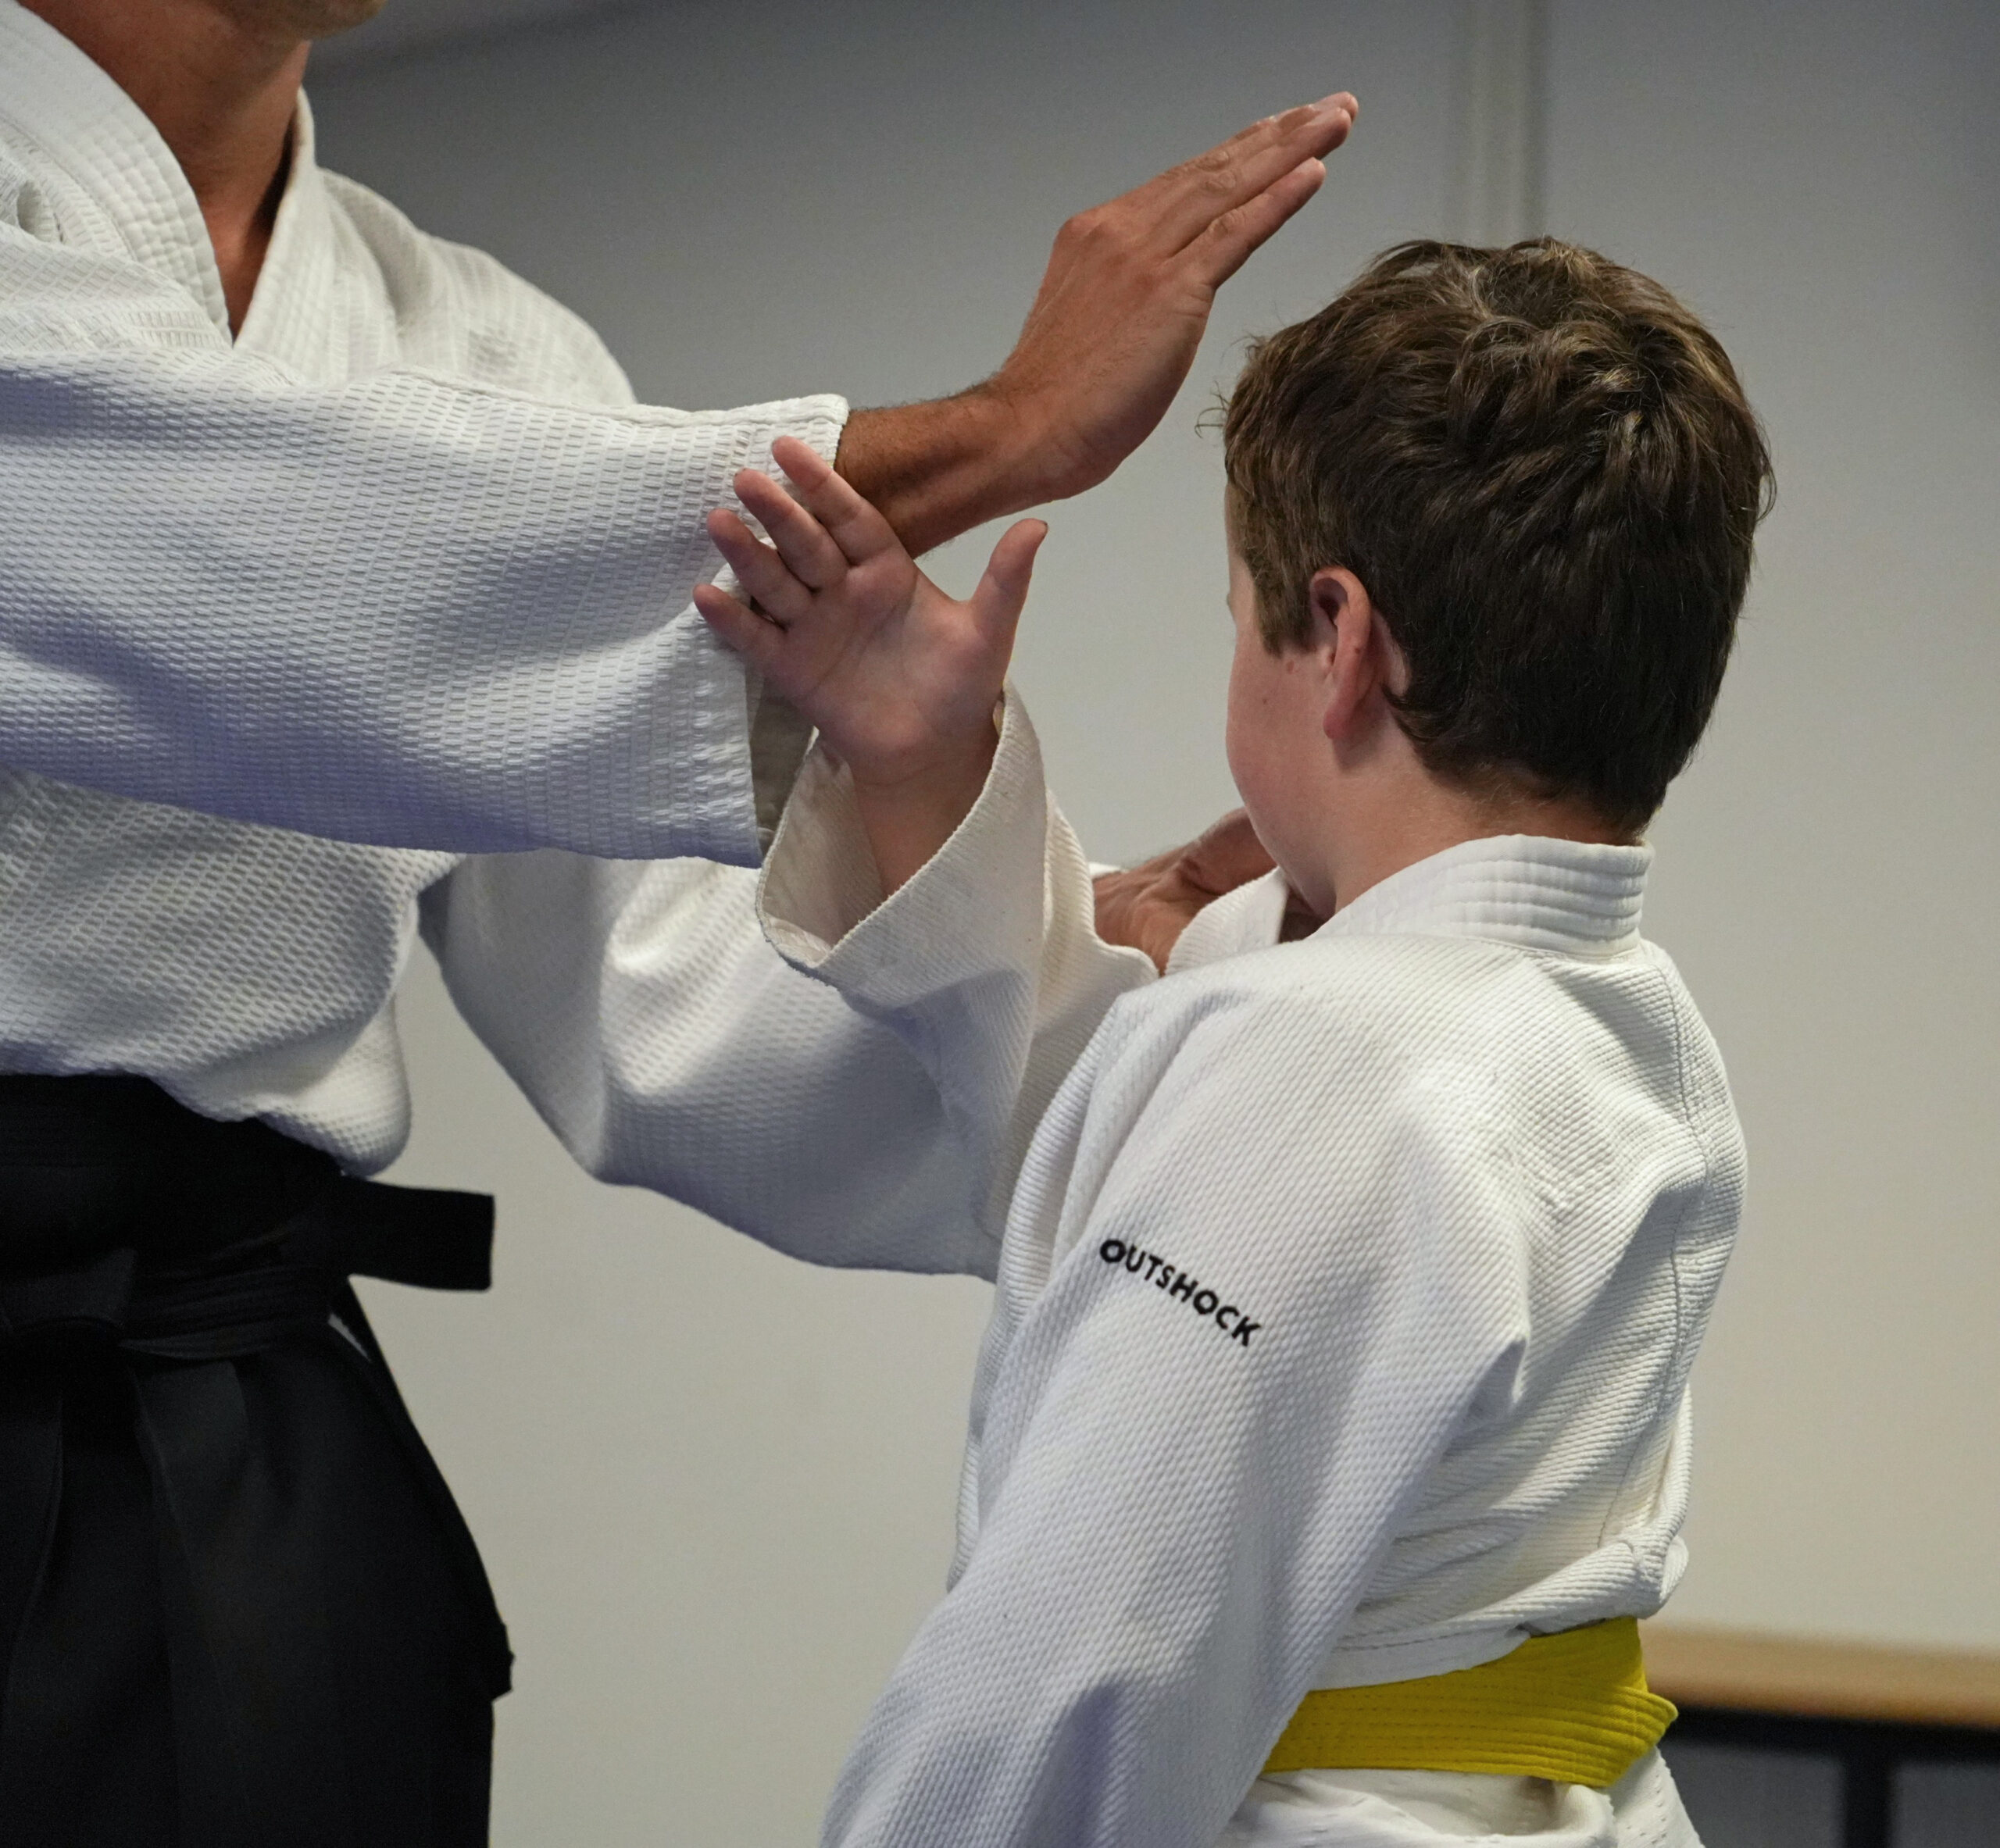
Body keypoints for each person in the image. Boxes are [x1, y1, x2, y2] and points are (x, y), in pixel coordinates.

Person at [0, 0, 1358, 1839]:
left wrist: (1024, 959)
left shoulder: (472, 347)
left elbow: (656, 975)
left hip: (239, 1428)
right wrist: (1003, 429)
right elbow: (261, 542)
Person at [696, 234, 1773, 1847]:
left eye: (1237, 619)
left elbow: (1065, 1688)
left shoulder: (1328, 1065)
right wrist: (935, 776)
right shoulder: (1626, 1032)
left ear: (1337, 637)